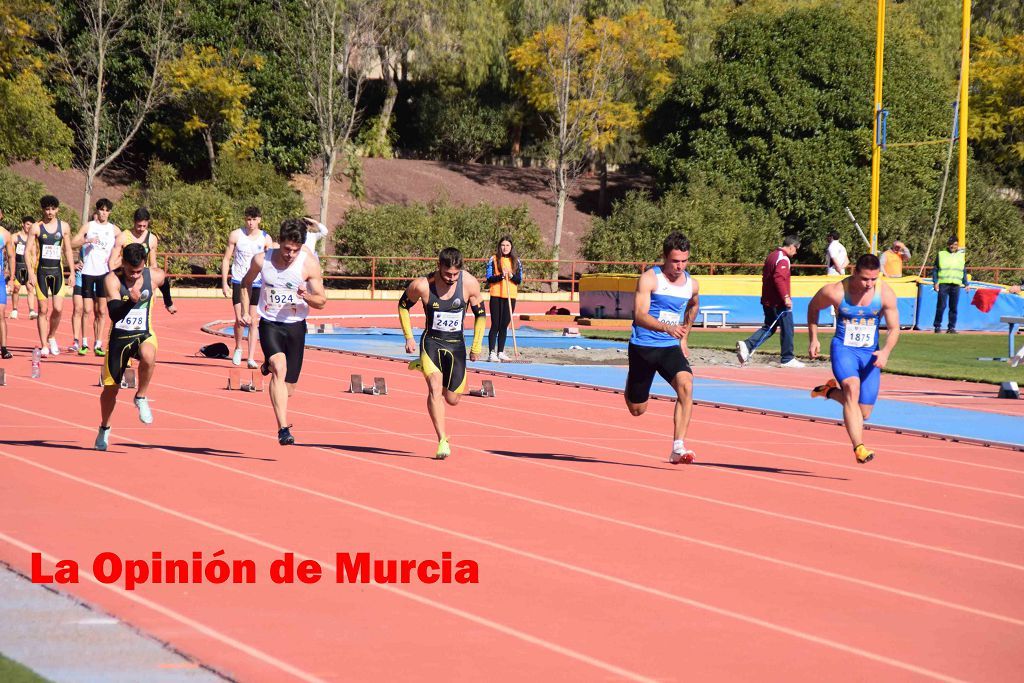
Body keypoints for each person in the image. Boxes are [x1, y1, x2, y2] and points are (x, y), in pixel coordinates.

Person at [239, 218, 326, 446]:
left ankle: (267, 366)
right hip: (270, 322)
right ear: (280, 242)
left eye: (296, 251)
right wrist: (246, 312)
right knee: (280, 366)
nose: (290, 254)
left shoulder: (308, 265)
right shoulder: (262, 260)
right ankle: (283, 429)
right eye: (287, 249)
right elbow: (246, 283)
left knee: (289, 389)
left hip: (296, 325)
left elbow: (322, 301)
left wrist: (306, 295)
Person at [807, 253, 900, 464]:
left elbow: (894, 329)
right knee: (851, 388)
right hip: (844, 349)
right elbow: (813, 307)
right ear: (854, 272)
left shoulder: (884, 294)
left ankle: (828, 391)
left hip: (870, 354)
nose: (869, 284)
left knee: (864, 413)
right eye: (865, 278)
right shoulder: (836, 291)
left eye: (874, 279)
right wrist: (814, 338)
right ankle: (859, 447)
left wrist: (885, 352)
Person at [398, 247, 486, 459]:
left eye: (455, 275)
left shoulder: (470, 284)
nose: (451, 279)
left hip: (456, 345)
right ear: (438, 267)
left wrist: (476, 346)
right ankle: (442, 440)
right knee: (435, 390)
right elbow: (402, 306)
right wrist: (408, 337)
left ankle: (427, 368)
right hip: (432, 343)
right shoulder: (421, 286)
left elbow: (481, 315)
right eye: (447, 274)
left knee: (452, 399)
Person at [626, 232, 700, 464]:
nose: (680, 266)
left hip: (669, 348)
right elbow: (639, 316)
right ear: (665, 258)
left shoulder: (691, 285)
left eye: (684, 261)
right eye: (675, 261)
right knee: (637, 410)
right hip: (643, 347)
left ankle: (678, 447)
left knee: (686, 385)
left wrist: (684, 336)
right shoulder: (650, 279)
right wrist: (667, 327)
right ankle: (631, 386)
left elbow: (694, 304)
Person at [95, 243, 167, 451]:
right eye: (131, 271)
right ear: (123, 263)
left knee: (148, 355)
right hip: (119, 337)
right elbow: (114, 314)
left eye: (138, 271)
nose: (135, 276)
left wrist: (169, 302)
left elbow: (164, 281)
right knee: (111, 389)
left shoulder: (153, 275)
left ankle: (141, 396)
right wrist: (130, 301)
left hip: (143, 331)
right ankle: (105, 428)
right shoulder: (111, 280)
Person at [736, 235, 804, 368]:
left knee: (770, 327)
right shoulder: (783, 259)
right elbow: (779, 278)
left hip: (768, 299)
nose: (796, 253)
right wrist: (785, 297)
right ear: (791, 246)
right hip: (778, 301)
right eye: (796, 249)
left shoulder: (772, 255)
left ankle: (748, 345)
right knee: (788, 328)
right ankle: (787, 358)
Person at [221, 206, 273, 368]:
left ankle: (251, 357)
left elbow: (270, 263)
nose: (251, 223)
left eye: (254, 219)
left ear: (259, 220)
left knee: (254, 321)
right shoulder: (236, 235)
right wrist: (224, 283)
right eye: (248, 219)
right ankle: (238, 347)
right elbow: (226, 259)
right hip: (239, 280)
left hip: (257, 282)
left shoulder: (265, 238)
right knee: (240, 319)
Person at [25, 195, 74, 356]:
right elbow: (27, 252)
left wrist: (72, 272)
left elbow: (67, 250)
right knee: (43, 309)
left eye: (53, 209)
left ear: (57, 209)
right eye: (47, 209)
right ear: (43, 210)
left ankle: (51, 335)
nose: (50, 212)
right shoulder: (36, 228)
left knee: (58, 309)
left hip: (57, 272)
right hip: (41, 272)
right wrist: (30, 273)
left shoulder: (64, 227)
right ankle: (44, 344)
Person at [71, 198, 120, 356]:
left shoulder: (114, 229)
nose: (104, 213)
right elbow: (71, 243)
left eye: (107, 210)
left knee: (102, 311)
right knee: (86, 310)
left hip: (104, 274)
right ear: (97, 211)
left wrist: (116, 260)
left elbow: (125, 245)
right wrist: (86, 240)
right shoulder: (89, 226)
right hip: (87, 272)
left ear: (110, 212)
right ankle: (84, 343)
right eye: (101, 209)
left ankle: (98, 344)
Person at [109, 207, 177, 314]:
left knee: (144, 313)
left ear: (148, 223)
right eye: (139, 226)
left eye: (144, 226)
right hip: (127, 282)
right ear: (134, 222)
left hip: (143, 281)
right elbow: (112, 264)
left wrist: (153, 287)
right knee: (124, 313)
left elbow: (153, 264)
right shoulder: (123, 237)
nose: (141, 229)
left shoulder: (152, 239)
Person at [485, 235, 523, 362]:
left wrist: (511, 275)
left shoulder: (516, 261)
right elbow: (489, 278)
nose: (505, 248)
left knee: (504, 325)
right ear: (499, 247)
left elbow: (519, 280)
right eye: (503, 245)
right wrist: (501, 276)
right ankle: (491, 353)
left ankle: (500, 351)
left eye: (507, 245)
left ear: (511, 247)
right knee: (495, 324)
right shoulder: (494, 259)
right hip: (496, 295)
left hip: (510, 296)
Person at [932, 236, 969, 334]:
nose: (953, 246)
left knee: (953, 307)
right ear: (948, 244)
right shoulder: (941, 254)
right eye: (951, 244)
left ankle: (951, 327)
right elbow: (935, 269)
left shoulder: (961, 255)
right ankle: (937, 326)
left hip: (956, 284)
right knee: (941, 306)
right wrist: (935, 282)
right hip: (944, 283)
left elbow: (963, 270)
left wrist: (966, 283)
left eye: (955, 244)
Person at [10, 216, 39, 321]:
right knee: (16, 288)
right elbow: (10, 254)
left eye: (31, 225)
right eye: (27, 224)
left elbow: (34, 254)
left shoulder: (32, 239)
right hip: (17, 265)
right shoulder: (15, 237)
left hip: (28, 267)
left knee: (30, 288)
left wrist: (33, 269)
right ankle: (14, 310)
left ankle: (31, 311)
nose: (29, 227)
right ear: (23, 224)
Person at [0, 220, 13, 358]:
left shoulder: (4, 234)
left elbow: (11, 256)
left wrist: (12, 274)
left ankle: (3, 349)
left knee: (1, 314)